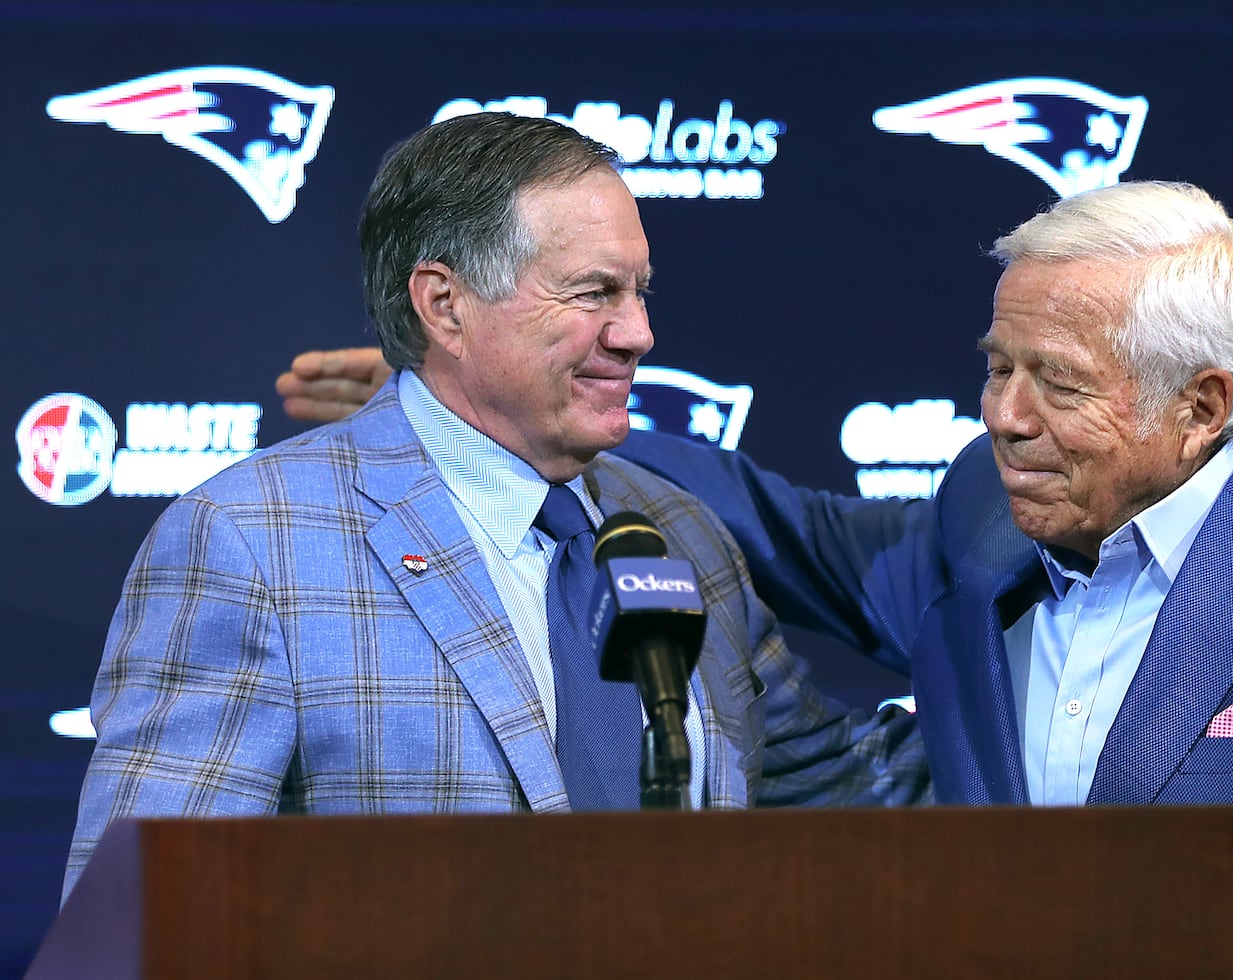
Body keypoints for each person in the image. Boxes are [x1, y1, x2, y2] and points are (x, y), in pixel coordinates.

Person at [279, 180, 1233, 976]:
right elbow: (785, 531)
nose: (1005, 417)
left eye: (1060, 382)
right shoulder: (986, 517)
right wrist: (505, 401)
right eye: (997, 366)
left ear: (1201, 405)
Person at [65, 112, 929, 902]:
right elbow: (142, 914)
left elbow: (844, 794)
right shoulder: (253, 542)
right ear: (445, 304)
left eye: (639, 292)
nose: (638, 334)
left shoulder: (681, 536)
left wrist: (1056, 730)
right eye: (594, 293)